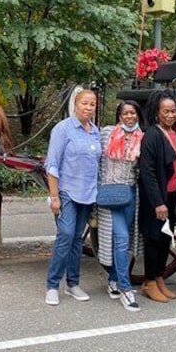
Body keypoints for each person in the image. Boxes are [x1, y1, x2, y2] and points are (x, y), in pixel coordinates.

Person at [44, 89, 101, 306]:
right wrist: (54, 196)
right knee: (66, 235)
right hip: (67, 192)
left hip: (88, 194)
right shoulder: (63, 129)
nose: (88, 107)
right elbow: (52, 164)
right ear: (75, 105)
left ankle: (73, 283)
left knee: (78, 239)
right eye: (84, 103)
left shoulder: (94, 131)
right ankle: (52, 285)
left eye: (92, 104)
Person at [138, 89, 176, 303]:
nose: (170, 115)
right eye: (166, 111)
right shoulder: (151, 135)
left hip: (173, 195)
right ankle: (148, 282)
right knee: (154, 239)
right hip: (157, 198)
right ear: (157, 113)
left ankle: (159, 278)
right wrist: (158, 202)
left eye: (173, 111)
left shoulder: (175, 134)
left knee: (166, 239)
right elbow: (147, 172)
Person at [97, 100, 145, 312]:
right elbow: (96, 161)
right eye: (125, 113)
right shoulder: (107, 133)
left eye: (133, 113)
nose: (129, 116)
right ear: (119, 115)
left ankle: (114, 279)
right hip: (109, 192)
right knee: (121, 238)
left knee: (124, 241)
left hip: (130, 193)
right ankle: (126, 289)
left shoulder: (142, 138)